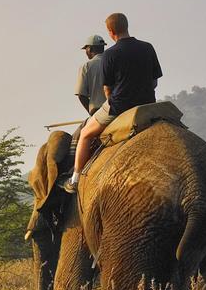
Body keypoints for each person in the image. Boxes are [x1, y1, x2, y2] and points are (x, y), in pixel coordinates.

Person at [66, 13, 162, 192]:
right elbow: (154, 82)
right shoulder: (148, 47)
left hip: (119, 107)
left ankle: (75, 179)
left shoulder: (110, 54)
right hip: (148, 104)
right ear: (127, 26)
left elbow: (107, 90)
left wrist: (112, 100)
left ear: (111, 31)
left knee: (86, 134)